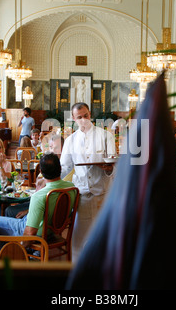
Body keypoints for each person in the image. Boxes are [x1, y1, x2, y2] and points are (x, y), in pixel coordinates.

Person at [0, 153, 77, 256]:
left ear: (41, 172)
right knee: (10, 211)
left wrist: (20, 248)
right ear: (60, 169)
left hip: (37, 234)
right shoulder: (72, 188)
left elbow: (29, 235)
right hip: (52, 231)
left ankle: (6, 256)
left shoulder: (39, 196)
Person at [60, 102, 116, 262]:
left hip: (103, 194)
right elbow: (64, 167)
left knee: (105, 236)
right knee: (79, 238)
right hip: (82, 195)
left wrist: (109, 168)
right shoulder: (70, 140)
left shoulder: (106, 136)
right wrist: (47, 178)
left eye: (86, 116)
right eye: (79, 117)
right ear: (73, 119)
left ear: (90, 114)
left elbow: (114, 166)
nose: (83, 120)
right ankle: (78, 271)